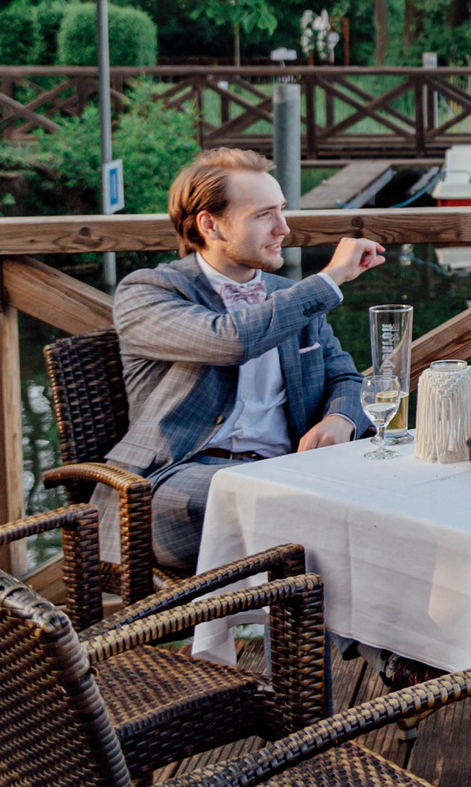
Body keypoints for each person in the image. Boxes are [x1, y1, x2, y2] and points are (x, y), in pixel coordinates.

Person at [108, 147, 385, 571]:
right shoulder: (146, 292)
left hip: (288, 475)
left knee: (397, 498)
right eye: (264, 215)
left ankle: (362, 635)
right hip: (174, 485)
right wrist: (330, 279)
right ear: (210, 225)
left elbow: (346, 378)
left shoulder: (286, 295)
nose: (284, 228)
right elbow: (230, 341)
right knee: (318, 515)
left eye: (282, 211)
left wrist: (340, 420)